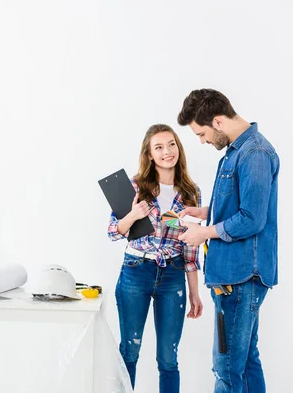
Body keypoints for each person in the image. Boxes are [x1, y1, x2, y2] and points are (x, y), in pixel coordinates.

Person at [176, 89, 279, 393]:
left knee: (227, 368)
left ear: (218, 121)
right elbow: (239, 207)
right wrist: (205, 213)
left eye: (201, 133)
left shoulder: (254, 153)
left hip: (240, 276)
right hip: (232, 275)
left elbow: (251, 218)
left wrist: (202, 233)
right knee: (245, 362)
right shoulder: (237, 152)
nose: (202, 141)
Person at [108, 123, 203, 392]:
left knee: (168, 359)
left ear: (178, 148)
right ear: (149, 154)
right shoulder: (135, 187)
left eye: (171, 144)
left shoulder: (190, 192)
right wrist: (134, 215)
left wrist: (194, 293)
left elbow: (191, 250)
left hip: (172, 276)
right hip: (136, 270)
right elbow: (114, 232)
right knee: (129, 351)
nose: (166, 151)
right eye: (158, 147)